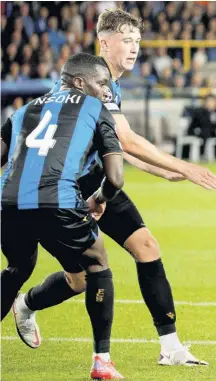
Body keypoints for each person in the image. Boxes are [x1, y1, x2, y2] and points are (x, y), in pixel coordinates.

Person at [11, 8, 216, 366]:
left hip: (94, 180)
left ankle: (171, 347)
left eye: (137, 40)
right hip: (62, 185)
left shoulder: (112, 84)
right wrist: (184, 166)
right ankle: (26, 304)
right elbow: (128, 139)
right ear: (104, 42)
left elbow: (111, 146)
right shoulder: (94, 83)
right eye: (127, 40)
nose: (135, 47)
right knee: (78, 280)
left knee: (147, 246)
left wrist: (157, 169)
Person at [1, 52, 125, 379]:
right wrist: (99, 198)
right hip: (58, 200)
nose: (106, 91)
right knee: (97, 262)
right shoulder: (95, 109)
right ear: (80, 82)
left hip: (8, 203)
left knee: (17, 268)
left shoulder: (23, 110)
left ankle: (23, 303)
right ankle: (102, 361)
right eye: (101, 83)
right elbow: (115, 178)